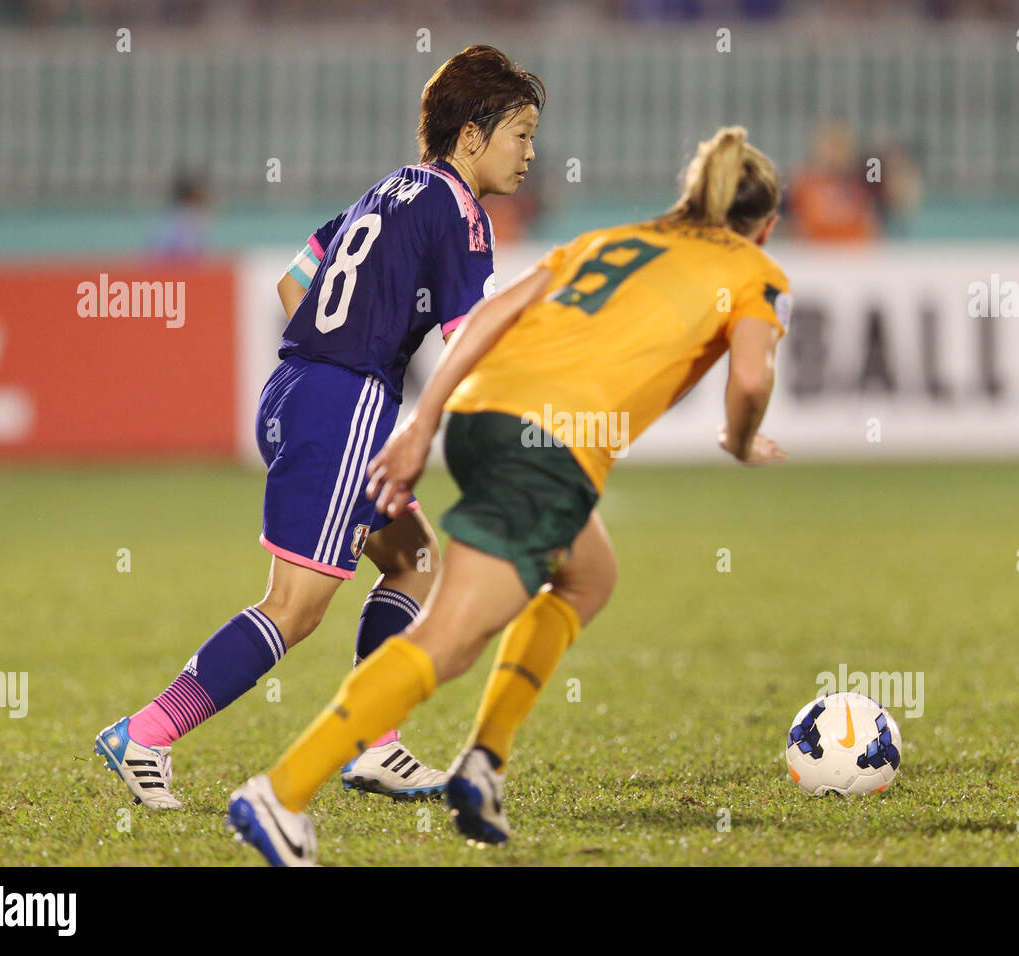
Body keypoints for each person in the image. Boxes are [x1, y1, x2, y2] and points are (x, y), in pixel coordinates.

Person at [228, 126, 792, 866]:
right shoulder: (753, 269)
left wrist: (426, 420)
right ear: (766, 224)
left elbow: (495, 313)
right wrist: (741, 437)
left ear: (689, 198)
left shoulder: (614, 240)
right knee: (449, 637)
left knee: (590, 574)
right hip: (548, 442)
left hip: (480, 414)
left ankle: (483, 764)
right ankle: (281, 792)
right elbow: (751, 379)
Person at [93, 45, 544, 809]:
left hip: (296, 388)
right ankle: (147, 732)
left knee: (414, 562)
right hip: (345, 404)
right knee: (296, 609)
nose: (531, 154)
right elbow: (469, 342)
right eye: (522, 134)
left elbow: (291, 282)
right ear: (471, 136)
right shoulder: (461, 214)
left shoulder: (383, 194)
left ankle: (376, 744)